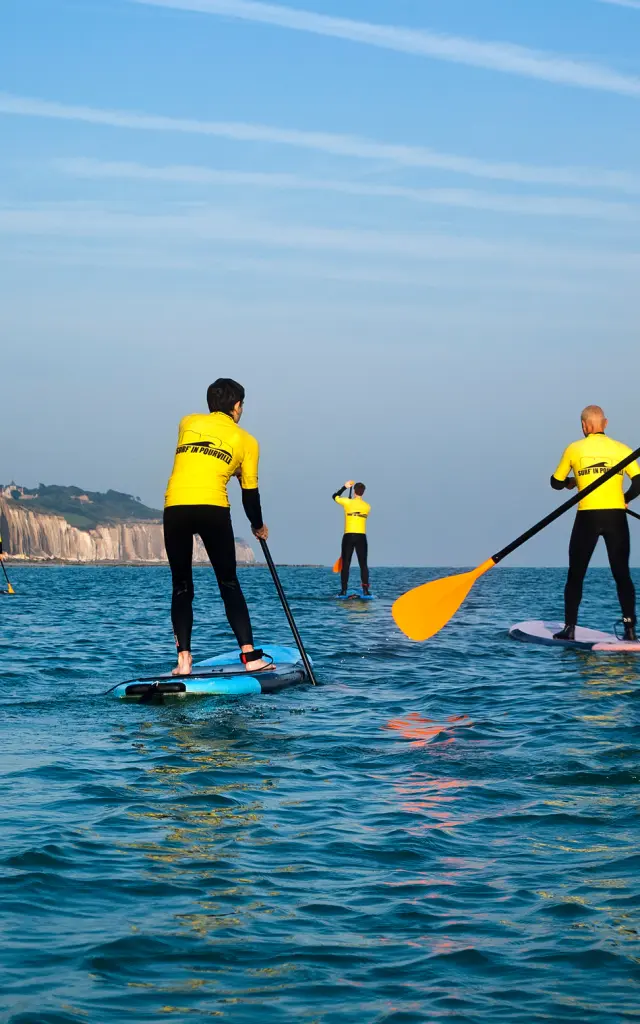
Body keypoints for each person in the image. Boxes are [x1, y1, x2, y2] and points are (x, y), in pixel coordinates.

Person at [164, 378, 270, 675]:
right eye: (242, 405)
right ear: (237, 407)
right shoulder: (247, 441)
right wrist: (258, 526)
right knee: (228, 584)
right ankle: (250, 658)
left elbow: (197, 459)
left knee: (182, 586)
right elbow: (250, 494)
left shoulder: (187, 422)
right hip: (212, 508)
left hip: (176, 506)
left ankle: (183, 662)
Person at [550, 405, 640, 641]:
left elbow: (555, 483)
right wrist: (625, 499)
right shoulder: (622, 449)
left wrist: (571, 482)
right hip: (615, 518)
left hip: (588, 518)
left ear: (584, 426)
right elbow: (639, 483)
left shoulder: (574, 448)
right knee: (622, 575)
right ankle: (630, 630)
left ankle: (569, 629)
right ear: (605, 424)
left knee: (576, 575)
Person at [332, 480, 371, 596]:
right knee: (363, 564)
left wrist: (345, 486)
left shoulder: (347, 502)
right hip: (361, 537)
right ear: (363, 492)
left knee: (346, 563)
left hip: (349, 536)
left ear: (354, 491)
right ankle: (365, 590)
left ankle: (343, 590)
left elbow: (335, 496)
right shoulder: (367, 507)